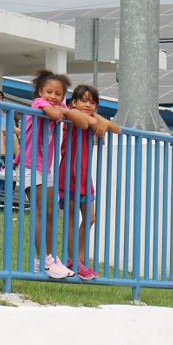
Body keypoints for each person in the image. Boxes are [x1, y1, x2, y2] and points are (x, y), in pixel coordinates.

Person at [20, 70, 95, 279]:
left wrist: (67, 111)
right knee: (41, 210)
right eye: (49, 92)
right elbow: (54, 114)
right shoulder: (37, 104)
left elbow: (82, 122)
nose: (53, 97)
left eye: (59, 94)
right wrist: (64, 110)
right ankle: (46, 259)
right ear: (40, 92)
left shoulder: (59, 106)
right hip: (29, 163)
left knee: (51, 212)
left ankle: (45, 259)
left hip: (45, 166)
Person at [57, 84, 120, 279]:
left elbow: (117, 129)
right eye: (83, 101)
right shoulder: (71, 115)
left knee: (91, 218)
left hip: (85, 176)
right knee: (71, 218)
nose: (88, 105)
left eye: (93, 103)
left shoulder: (91, 117)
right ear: (73, 102)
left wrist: (103, 122)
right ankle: (76, 260)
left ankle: (78, 260)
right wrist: (100, 122)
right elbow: (85, 122)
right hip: (70, 174)